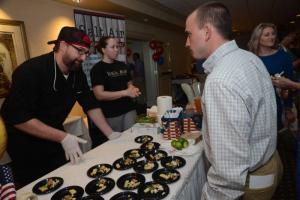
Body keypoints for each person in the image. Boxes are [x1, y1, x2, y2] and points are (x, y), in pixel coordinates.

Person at [0, 27, 120, 187]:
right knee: (38, 188)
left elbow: (89, 103)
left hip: (55, 136)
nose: (83, 58)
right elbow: (17, 117)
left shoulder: (77, 73)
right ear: (62, 45)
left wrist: (110, 133)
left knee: (65, 181)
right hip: (26, 146)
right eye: (80, 51)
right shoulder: (30, 71)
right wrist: (62, 137)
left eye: (86, 53)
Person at [185, 2, 282, 199]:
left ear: (206, 32)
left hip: (251, 180)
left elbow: (227, 175)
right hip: (271, 161)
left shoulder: (220, 80)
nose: (186, 42)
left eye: (188, 34)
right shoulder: (250, 57)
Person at [248, 23, 295, 131]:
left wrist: (288, 108)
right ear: (258, 38)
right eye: (267, 35)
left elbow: (291, 82)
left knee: (286, 139)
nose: (272, 37)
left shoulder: (283, 56)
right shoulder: (251, 59)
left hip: (282, 105)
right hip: (261, 109)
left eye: (273, 34)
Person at [90, 36, 140, 134]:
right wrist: (125, 92)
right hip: (111, 113)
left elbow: (129, 84)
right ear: (103, 49)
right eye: (113, 47)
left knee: (133, 137)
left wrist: (132, 90)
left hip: (129, 108)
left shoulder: (122, 65)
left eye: (117, 47)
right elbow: (99, 95)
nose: (116, 50)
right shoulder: (97, 69)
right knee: (116, 142)